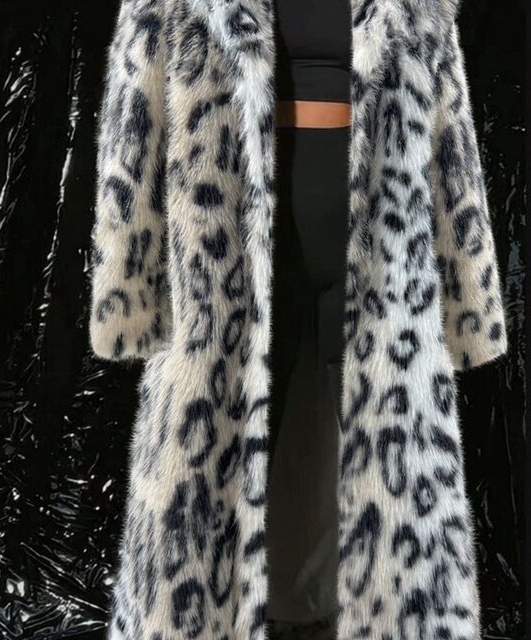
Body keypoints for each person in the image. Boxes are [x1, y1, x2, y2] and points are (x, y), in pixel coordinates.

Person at [267, 1, 351, 637]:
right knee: (239, 419)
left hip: (373, 195)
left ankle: (316, 604)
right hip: (239, 202)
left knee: (343, 415)